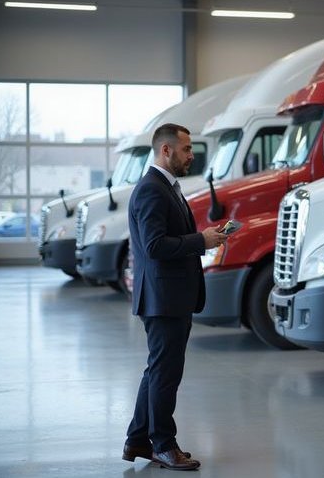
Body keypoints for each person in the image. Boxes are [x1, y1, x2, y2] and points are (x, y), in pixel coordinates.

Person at [122, 123, 227, 470]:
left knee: (157, 371)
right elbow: (154, 246)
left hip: (169, 297)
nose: (191, 155)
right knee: (166, 374)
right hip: (163, 299)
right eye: (186, 149)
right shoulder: (152, 189)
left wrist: (202, 237)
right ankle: (164, 445)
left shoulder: (165, 187)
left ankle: (137, 439)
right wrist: (202, 241)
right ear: (166, 151)